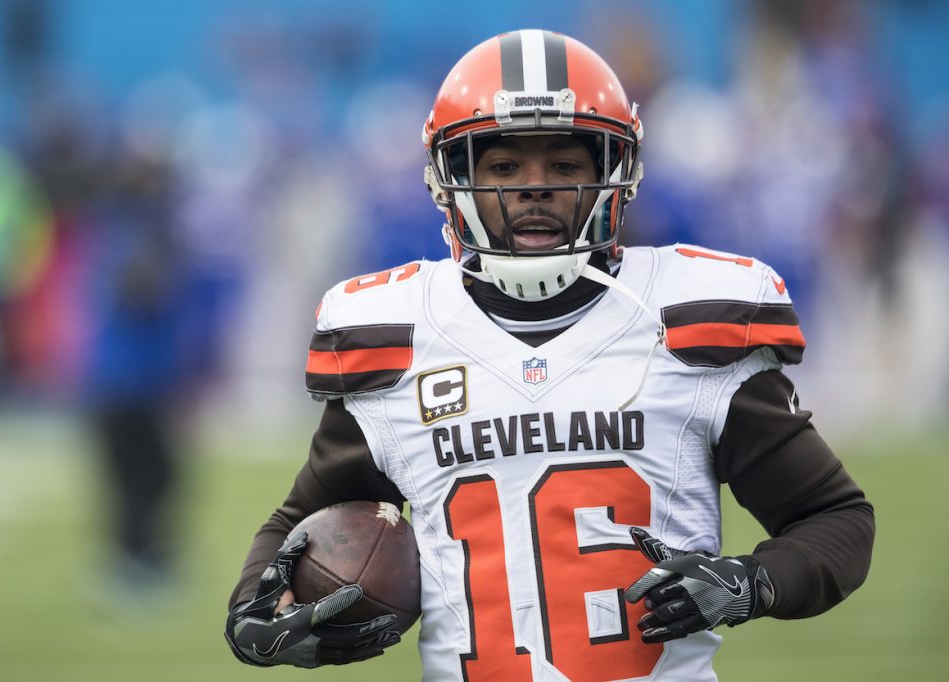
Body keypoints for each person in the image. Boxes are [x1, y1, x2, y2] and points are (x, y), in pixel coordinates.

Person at [225, 30, 875, 681]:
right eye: (504, 167)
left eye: (565, 167)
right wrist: (254, 616)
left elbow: (834, 519)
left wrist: (751, 583)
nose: (534, 188)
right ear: (452, 179)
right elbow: (298, 528)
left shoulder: (685, 321)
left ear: (614, 173)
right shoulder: (396, 337)